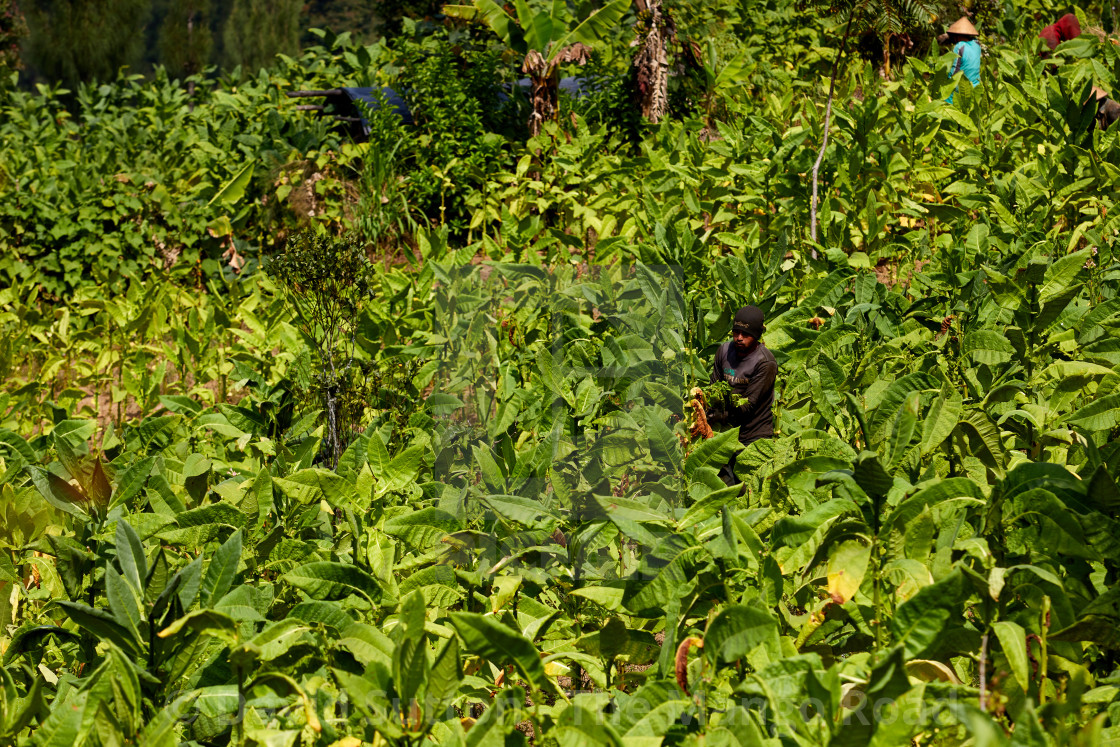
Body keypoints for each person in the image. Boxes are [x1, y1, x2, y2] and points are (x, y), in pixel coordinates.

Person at [706, 305, 778, 486]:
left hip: (753, 437)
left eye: (745, 334)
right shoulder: (723, 351)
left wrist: (719, 416)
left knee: (747, 490)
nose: (739, 338)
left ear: (757, 335)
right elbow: (713, 387)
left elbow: (748, 406)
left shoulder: (765, 362)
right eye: (736, 332)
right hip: (725, 434)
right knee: (722, 489)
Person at [941, 17, 981, 104]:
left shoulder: (960, 46)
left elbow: (954, 71)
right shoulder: (977, 44)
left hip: (960, 89)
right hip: (976, 87)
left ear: (957, 36)